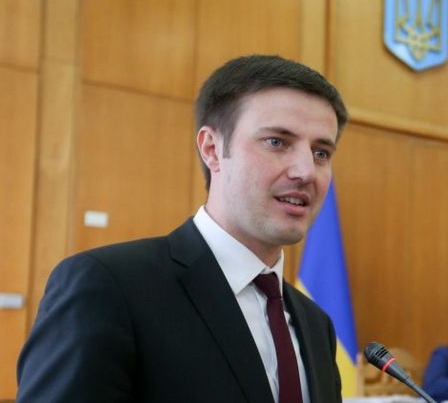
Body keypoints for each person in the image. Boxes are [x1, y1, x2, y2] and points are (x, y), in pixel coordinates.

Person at [16, 55, 348, 403]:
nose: (305, 171)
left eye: (321, 153)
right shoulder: (108, 288)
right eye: (277, 142)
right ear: (212, 149)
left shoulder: (316, 325)